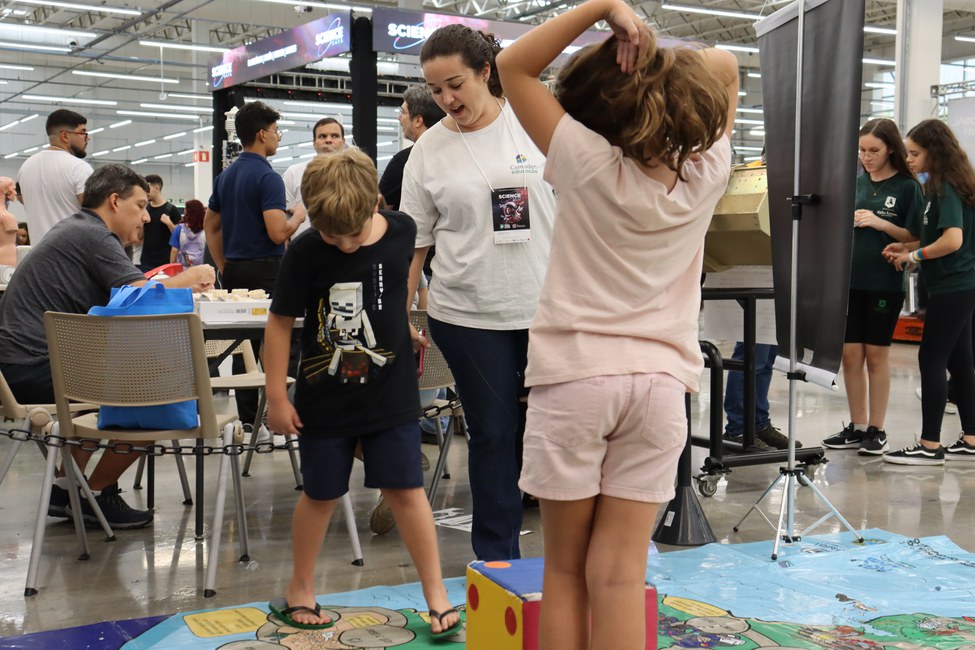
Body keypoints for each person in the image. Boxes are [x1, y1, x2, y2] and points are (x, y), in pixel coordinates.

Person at [496, 0, 738, 647]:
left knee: (567, 572)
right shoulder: (704, 170)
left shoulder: (584, 158)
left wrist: (606, 9)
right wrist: (650, 50)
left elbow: (511, 66)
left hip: (575, 381)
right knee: (621, 576)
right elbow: (724, 63)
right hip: (661, 388)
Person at [264, 149, 460, 634]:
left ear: (375, 203)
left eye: (352, 234)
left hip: (390, 395)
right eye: (333, 236)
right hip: (323, 399)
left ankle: (436, 594)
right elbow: (280, 322)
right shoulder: (306, 251)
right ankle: (301, 587)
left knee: (406, 490)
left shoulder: (402, 232)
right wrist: (275, 396)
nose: (345, 246)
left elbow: (393, 292)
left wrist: (402, 328)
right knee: (321, 493)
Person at [399, 23, 558, 561]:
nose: (446, 99)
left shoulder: (532, 123)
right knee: (493, 433)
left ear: (486, 72)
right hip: (466, 314)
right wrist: (403, 314)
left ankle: (574, 560)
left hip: (550, 309)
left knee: (560, 433)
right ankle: (497, 561)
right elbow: (414, 245)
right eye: (435, 89)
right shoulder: (429, 152)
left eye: (456, 84)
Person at [0, 164, 215, 528]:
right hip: (36, 369)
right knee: (155, 396)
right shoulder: (95, 237)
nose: (147, 217)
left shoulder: (76, 228)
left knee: (130, 384)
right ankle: (97, 494)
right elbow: (137, 297)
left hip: (19, 368)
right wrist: (192, 275)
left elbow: (129, 290)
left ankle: (67, 487)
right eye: (141, 205)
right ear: (115, 201)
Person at [818, 119, 923, 456]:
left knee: (877, 355)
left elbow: (917, 238)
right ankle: (857, 425)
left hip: (884, 284)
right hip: (848, 282)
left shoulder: (908, 188)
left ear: (891, 148)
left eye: (874, 150)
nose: (866, 157)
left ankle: (877, 429)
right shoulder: (855, 183)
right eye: (862, 150)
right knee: (850, 355)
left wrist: (880, 223)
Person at [204, 101, 307, 428]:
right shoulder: (268, 177)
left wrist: (222, 264)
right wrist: (298, 218)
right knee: (283, 342)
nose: (278, 138)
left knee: (244, 345)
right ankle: (284, 415)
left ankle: (250, 419)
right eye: (276, 131)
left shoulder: (226, 176)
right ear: (262, 134)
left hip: (236, 269)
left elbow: (210, 225)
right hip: (268, 271)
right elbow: (277, 233)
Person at [883, 119, 975, 465]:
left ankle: (930, 445)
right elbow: (940, 235)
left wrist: (913, 256)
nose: (910, 159)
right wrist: (907, 246)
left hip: (954, 285)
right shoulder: (943, 186)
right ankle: (970, 438)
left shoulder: (946, 188)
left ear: (935, 152)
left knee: (931, 359)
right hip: (957, 285)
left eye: (915, 153)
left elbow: (953, 241)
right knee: (961, 362)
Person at [16, 109, 93, 244]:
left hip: (38, 255)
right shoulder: (78, 167)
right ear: (65, 136)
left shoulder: (26, 166)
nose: (87, 138)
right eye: (83, 132)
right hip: (72, 254)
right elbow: (96, 214)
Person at [379, 85, 446, 211]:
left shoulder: (404, 160)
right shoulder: (451, 155)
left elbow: (381, 208)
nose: (399, 117)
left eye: (403, 112)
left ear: (418, 120)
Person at [281, 117, 345, 237]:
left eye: (335, 136)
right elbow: (282, 218)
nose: (329, 140)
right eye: (322, 136)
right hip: (303, 250)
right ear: (314, 142)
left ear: (343, 141)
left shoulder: (354, 175)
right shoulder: (294, 173)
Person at [140, 174, 181, 272]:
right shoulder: (145, 210)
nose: (146, 192)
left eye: (148, 188)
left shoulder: (171, 210)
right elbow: (140, 236)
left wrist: (169, 223)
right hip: (146, 261)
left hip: (165, 260)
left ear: (157, 188)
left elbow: (179, 237)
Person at [169, 199, 207, 269]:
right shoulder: (206, 229)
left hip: (183, 269)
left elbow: (174, 251)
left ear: (187, 212)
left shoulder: (179, 229)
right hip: (201, 268)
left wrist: (171, 267)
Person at [0, 177, 17, 269]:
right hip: (7, 260)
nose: (15, 193)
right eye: (13, 189)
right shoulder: (7, 217)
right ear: (5, 190)